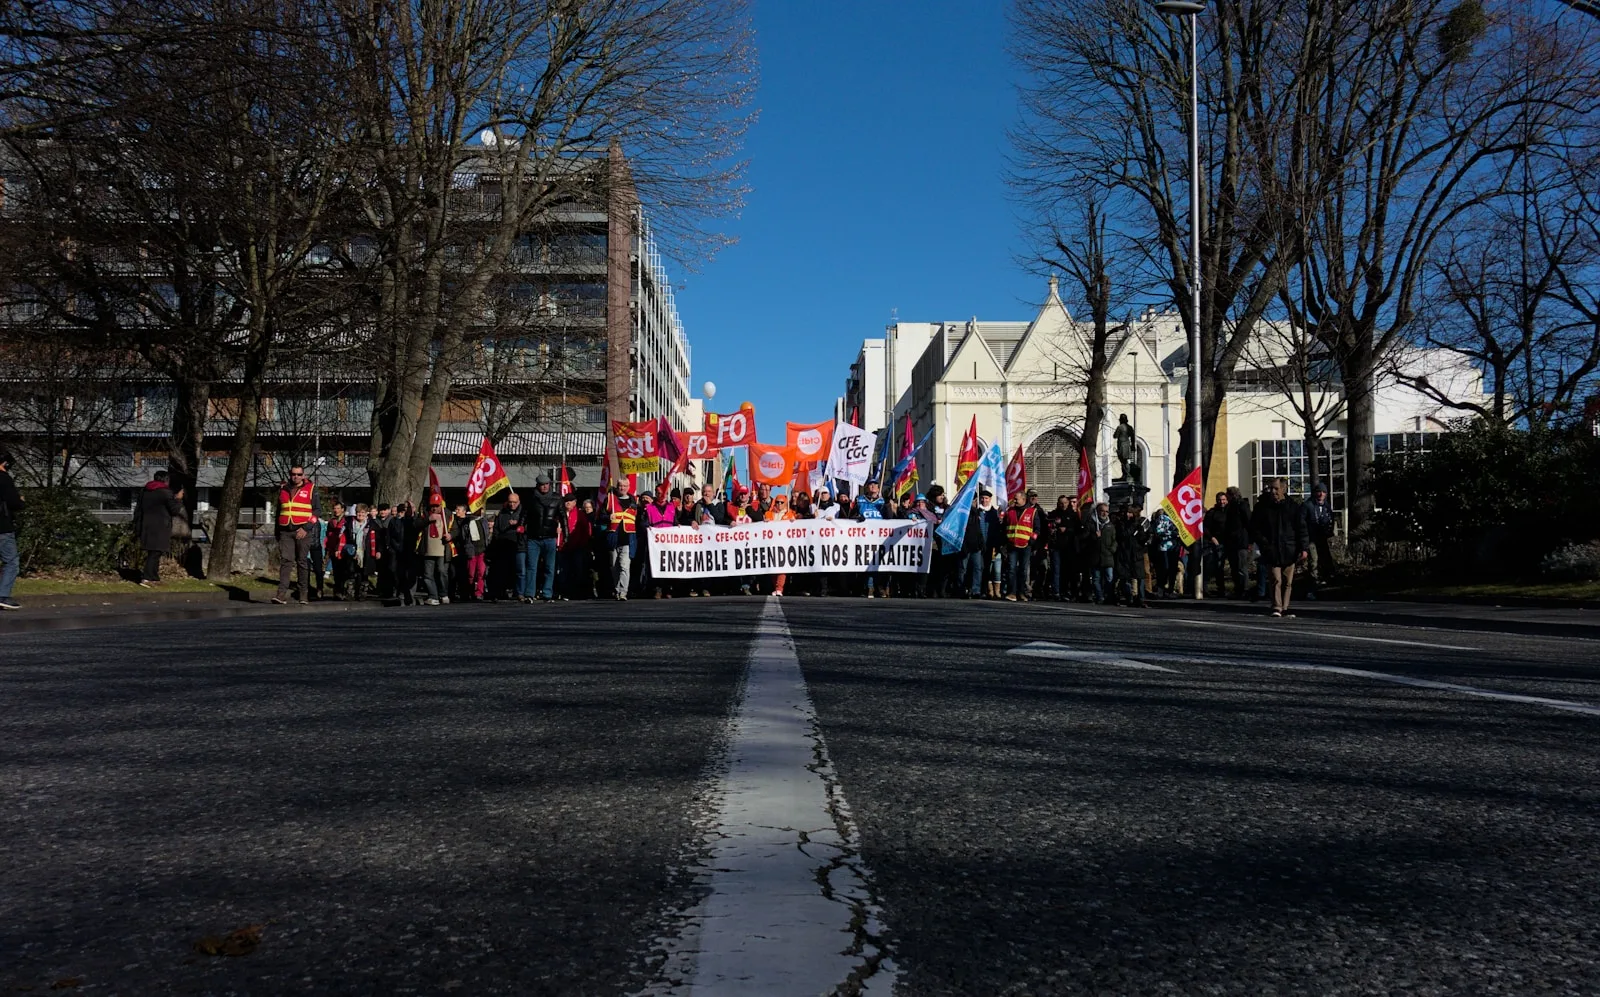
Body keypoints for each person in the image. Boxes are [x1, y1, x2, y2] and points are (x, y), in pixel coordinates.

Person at [1252, 476, 1310, 618]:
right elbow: (1254, 528)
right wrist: (1263, 543)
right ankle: (1276, 606)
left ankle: (1285, 606)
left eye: (1276, 488)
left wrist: (1303, 548)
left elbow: (1301, 528)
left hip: (1289, 549)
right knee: (1275, 579)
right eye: (1271, 488)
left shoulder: (1293, 507)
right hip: (1271, 549)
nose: (1273, 491)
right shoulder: (1263, 507)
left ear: (1284, 489)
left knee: (1287, 581)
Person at [273, 464, 317, 605]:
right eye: (293, 474)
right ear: (290, 475)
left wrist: (306, 528)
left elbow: (317, 512)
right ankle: (281, 594)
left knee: (302, 562)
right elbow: (279, 511)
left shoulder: (311, 489)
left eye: (299, 474)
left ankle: (303, 594)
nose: (296, 476)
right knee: (286, 561)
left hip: (303, 531)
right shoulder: (283, 489)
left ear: (303, 475)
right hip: (286, 530)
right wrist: (277, 532)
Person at [132, 470, 184, 587]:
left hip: (146, 525)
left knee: (153, 551)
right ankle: (147, 578)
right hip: (160, 526)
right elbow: (174, 510)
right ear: (166, 480)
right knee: (155, 552)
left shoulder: (145, 491)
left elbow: (139, 509)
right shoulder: (165, 492)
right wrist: (178, 499)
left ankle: (154, 577)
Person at [527, 475, 565, 602]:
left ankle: (547, 593)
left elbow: (563, 517)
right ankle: (530, 594)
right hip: (533, 538)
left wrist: (567, 534)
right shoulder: (531, 498)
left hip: (550, 538)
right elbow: (524, 514)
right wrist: (521, 526)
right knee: (532, 567)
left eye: (547, 484)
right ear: (537, 485)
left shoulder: (557, 498)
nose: (545, 486)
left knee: (550, 567)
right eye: (542, 484)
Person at [962, 488, 1004, 599]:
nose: (984, 500)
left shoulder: (994, 513)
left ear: (990, 499)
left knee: (987, 568)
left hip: (990, 545)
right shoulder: (976, 511)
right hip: (978, 545)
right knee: (977, 567)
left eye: (986, 498)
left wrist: (995, 544)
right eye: (982, 498)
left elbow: (996, 530)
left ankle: (985, 589)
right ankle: (974, 589)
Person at [490, 493, 529, 602]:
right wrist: (497, 540)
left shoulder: (524, 513)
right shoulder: (502, 513)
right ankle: (501, 592)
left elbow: (529, 528)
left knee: (520, 570)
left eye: (514, 502)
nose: (512, 504)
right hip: (504, 545)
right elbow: (497, 530)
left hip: (519, 545)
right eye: (510, 502)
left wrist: (519, 525)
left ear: (519, 502)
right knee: (503, 570)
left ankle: (520, 593)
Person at [643, 483, 679, 599]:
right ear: (656, 494)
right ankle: (657, 589)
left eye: (663, 493)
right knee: (656, 565)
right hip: (655, 543)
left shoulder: (671, 507)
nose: (661, 495)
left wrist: (678, 526)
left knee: (669, 565)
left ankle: (668, 589)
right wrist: (646, 527)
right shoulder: (649, 508)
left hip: (668, 543)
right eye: (659, 493)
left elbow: (675, 521)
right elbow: (644, 522)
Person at [416, 497, 454, 606]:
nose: (434, 508)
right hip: (428, 550)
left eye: (436, 506)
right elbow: (416, 525)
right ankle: (433, 596)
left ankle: (443, 594)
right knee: (428, 574)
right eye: (432, 506)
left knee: (442, 572)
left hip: (442, 550)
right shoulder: (425, 515)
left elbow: (455, 529)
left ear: (441, 506)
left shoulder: (448, 515)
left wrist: (451, 535)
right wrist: (428, 519)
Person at [1002, 492, 1039, 602]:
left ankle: (1022, 593)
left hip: (1026, 545)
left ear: (1023, 499)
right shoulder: (1010, 511)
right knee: (1012, 569)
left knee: (1023, 570)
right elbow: (1004, 527)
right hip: (1012, 545)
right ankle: (1012, 593)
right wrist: (1004, 543)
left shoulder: (1033, 512)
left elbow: (1037, 529)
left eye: (1016, 499)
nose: (1014, 501)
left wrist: (1031, 541)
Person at [0, 449, 25, 610]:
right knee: (11, 562)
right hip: (2, 526)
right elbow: (14, 503)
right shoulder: (4, 479)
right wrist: (21, 501)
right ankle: (3, 595)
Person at [604, 487, 638, 600]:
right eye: (620, 486)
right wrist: (608, 517)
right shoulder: (610, 500)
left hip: (628, 539)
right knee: (614, 566)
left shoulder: (634, 502)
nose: (622, 488)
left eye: (624, 486)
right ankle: (617, 589)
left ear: (628, 487)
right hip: (614, 538)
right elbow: (599, 516)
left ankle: (623, 592)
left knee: (625, 566)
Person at [1047, 495, 1083, 601]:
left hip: (1069, 546)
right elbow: (1048, 525)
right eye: (1061, 503)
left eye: (1065, 503)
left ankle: (1068, 591)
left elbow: (1078, 530)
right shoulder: (1054, 514)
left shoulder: (1073, 515)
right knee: (1056, 570)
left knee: (1068, 570)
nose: (1063, 505)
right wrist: (1052, 529)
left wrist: (1067, 530)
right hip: (1056, 546)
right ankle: (1056, 592)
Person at [1303, 482, 1337, 598]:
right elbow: (1301, 523)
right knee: (1314, 561)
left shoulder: (1327, 507)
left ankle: (1323, 584)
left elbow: (1331, 520)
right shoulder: (1308, 506)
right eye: (1319, 492)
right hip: (1311, 538)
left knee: (1325, 560)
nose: (1321, 494)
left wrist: (1330, 531)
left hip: (1322, 538)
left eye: (1323, 492)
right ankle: (1311, 588)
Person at [452, 502, 488, 601]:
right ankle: (469, 591)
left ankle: (479, 593)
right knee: (471, 573)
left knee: (481, 572)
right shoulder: (467, 522)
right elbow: (464, 537)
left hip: (482, 551)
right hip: (471, 551)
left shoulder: (483, 521)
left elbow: (486, 534)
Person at [764, 491, 797, 596]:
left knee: (782, 567)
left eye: (781, 502)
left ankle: (780, 588)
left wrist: (794, 521)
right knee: (773, 567)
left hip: (784, 544)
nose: (779, 504)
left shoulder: (790, 514)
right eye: (777, 502)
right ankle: (776, 587)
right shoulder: (768, 514)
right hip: (771, 544)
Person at [1223, 486, 1252, 598]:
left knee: (1241, 566)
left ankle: (1244, 589)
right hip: (1232, 541)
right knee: (1235, 567)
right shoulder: (1230, 507)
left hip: (1240, 541)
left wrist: (1249, 540)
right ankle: (1238, 588)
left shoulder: (1242, 505)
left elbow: (1248, 522)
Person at [1203, 492, 1232, 598]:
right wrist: (1212, 538)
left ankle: (1226, 589)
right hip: (1216, 542)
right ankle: (1216, 588)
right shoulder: (1212, 513)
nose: (1222, 502)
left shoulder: (1231, 512)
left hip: (1229, 542)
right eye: (1220, 500)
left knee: (1228, 567)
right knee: (1215, 567)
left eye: (1223, 499)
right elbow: (1205, 528)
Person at [1088, 502, 1116, 604]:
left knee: (1109, 578)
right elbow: (1086, 538)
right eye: (1102, 511)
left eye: (1106, 511)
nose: (1104, 513)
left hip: (1107, 556)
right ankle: (1100, 597)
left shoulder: (1110, 526)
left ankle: (1109, 596)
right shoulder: (1092, 524)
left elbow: (1115, 540)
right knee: (1096, 578)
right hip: (1096, 556)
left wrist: (1112, 549)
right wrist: (1095, 536)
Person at [1150, 509, 1181, 598]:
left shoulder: (1178, 519)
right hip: (1164, 548)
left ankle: (1170, 590)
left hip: (1175, 547)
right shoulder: (1162, 518)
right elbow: (1159, 532)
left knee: (1173, 569)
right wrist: (1173, 534)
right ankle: (1161, 589)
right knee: (1164, 568)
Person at [371, 503, 397, 600]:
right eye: (381, 510)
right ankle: (381, 590)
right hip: (379, 548)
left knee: (390, 570)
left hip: (389, 549)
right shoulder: (375, 521)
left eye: (385, 510)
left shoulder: (392, 520)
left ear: (389, 510)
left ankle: (390, 590)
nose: (383, 512)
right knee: (381, 571)